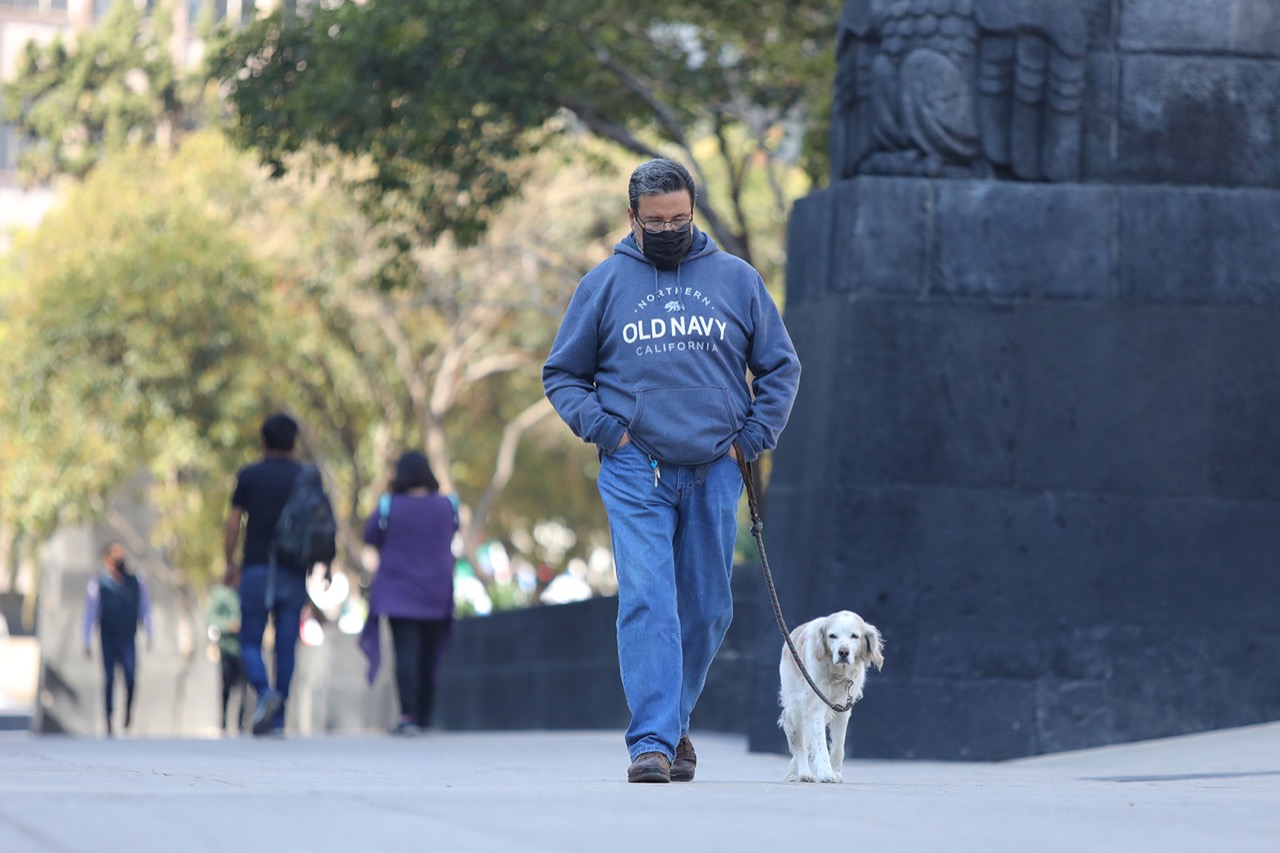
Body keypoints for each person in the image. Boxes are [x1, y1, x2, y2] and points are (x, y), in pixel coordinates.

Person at [542, 158, 801, 783]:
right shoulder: (603, 284)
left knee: (709, 607)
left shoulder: (736, 280)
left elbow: (780, 368)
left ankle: (673, 722)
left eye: (679, 218)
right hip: (637, 469)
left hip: (716, 466)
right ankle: (652, 744)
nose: (668, 229)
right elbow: (562, 374)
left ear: (693, 212)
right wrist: (608, 429)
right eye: (655, 221)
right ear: (633, 218)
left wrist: (754, 437)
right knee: (648, 600)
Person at [224, 412, 314, 737]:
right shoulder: (306, 476)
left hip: (257, 568)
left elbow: (234, 522)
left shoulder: (250, 476)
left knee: (250, 639)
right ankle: (278, 720)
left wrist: (229, 561)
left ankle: (264, 692)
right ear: (294, 442)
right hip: (293, 571)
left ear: (263, 441)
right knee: (286, 647)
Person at [359, 450, 457, 736]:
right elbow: (453, 532)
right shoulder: (446, 506)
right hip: (436, 591)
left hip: (397, 592)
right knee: (429, 654)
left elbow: (369, 535)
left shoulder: (390, 505)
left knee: (405, 654)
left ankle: (408, 716)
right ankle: (425, 716)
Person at [83, 541, 153, 736]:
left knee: (130, 678)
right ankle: (108, 718)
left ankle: (128, 711)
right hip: (108, 637)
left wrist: (149, 631)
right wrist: (87, 639)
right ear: (107, 560)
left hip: (128, 637)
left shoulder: (136, 582)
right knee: (109, 679)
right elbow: (91, 612)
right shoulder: (98, 583)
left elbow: (144, 608)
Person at [205, 582, 249, 734]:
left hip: (245, 648)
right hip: (227, 647)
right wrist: (228, 625)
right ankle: (223, 720)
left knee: (245, 687)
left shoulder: (247, 590)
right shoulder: (221, 594)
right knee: (226, 685)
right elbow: (211, 617)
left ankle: (241, 723)